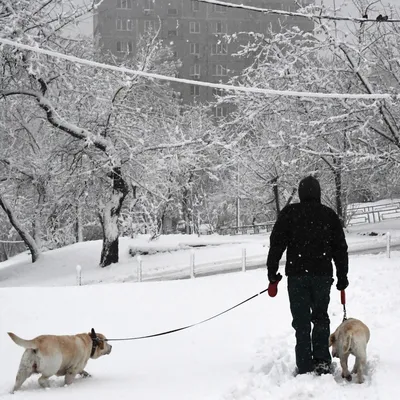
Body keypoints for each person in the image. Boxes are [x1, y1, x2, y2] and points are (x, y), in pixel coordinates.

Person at [266, 175, 349, 376]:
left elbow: (276, 244)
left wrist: (272, 273)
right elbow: (340, 248)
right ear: (318, 193)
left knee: (301, 321)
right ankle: (321, 361)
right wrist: (342, 275)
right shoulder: (329, 215)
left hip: (297, 276)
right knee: (320, 317)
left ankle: (303, 364)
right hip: (322, 275)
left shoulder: (289, 214)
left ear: (301, 193)